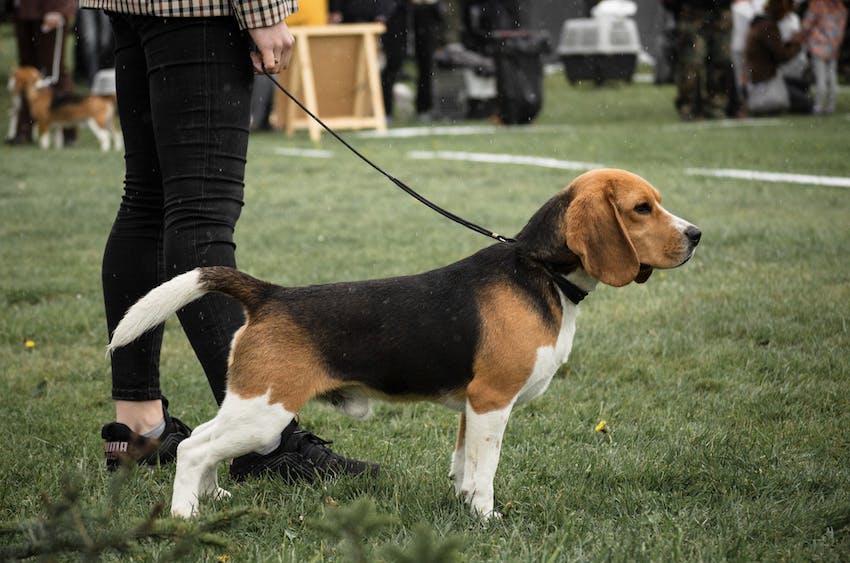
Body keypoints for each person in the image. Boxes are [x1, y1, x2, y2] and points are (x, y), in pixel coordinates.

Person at [77, 0, 378, 482]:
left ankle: (138, 429)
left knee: (147, 202)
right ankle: (264, 440)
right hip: (200, 11)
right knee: (199, 217)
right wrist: (262, 11)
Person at [7, 0, 77, 145]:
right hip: (24, 10)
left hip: (51, 8)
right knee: (26, 73)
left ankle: (68, 132)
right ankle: (24, 130)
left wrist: (57, 8)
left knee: (55, 74)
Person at [664, 0, 735, 120]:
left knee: (721, 61)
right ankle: (689, 106)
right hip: (693, 12)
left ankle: (717, 104)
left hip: (721, 12)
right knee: (691, 63)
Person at [745, 0, 813, 114]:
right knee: (807, 103)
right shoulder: (768, 26)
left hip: (761, 77)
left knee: (803, 85)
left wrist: (792, 43)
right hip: (766, 79)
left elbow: (776, 49)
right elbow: (782, 56)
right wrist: (797, 44)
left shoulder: (760, 24)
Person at [801, 0, 848, 114]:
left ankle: (818, 106)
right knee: (832, 78)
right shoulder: (841, 8)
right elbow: (841, 31)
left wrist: (805, 38)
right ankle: (831, 106)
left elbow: (806, 24)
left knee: (820, 79)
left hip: (819, 45)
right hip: (833, 46)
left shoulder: (817, 5)